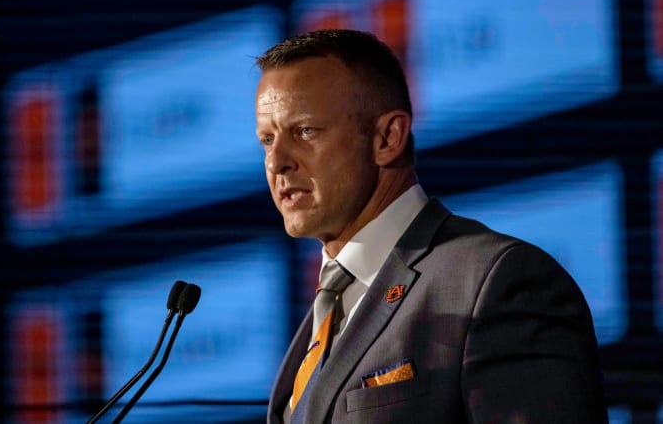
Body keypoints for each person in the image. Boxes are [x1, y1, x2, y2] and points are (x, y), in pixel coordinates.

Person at [254, 28, 607, 424]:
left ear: (388, 137)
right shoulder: (327, 306)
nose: (276, 161)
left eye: (305, 131)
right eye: (267, 140)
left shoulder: (496, 281)